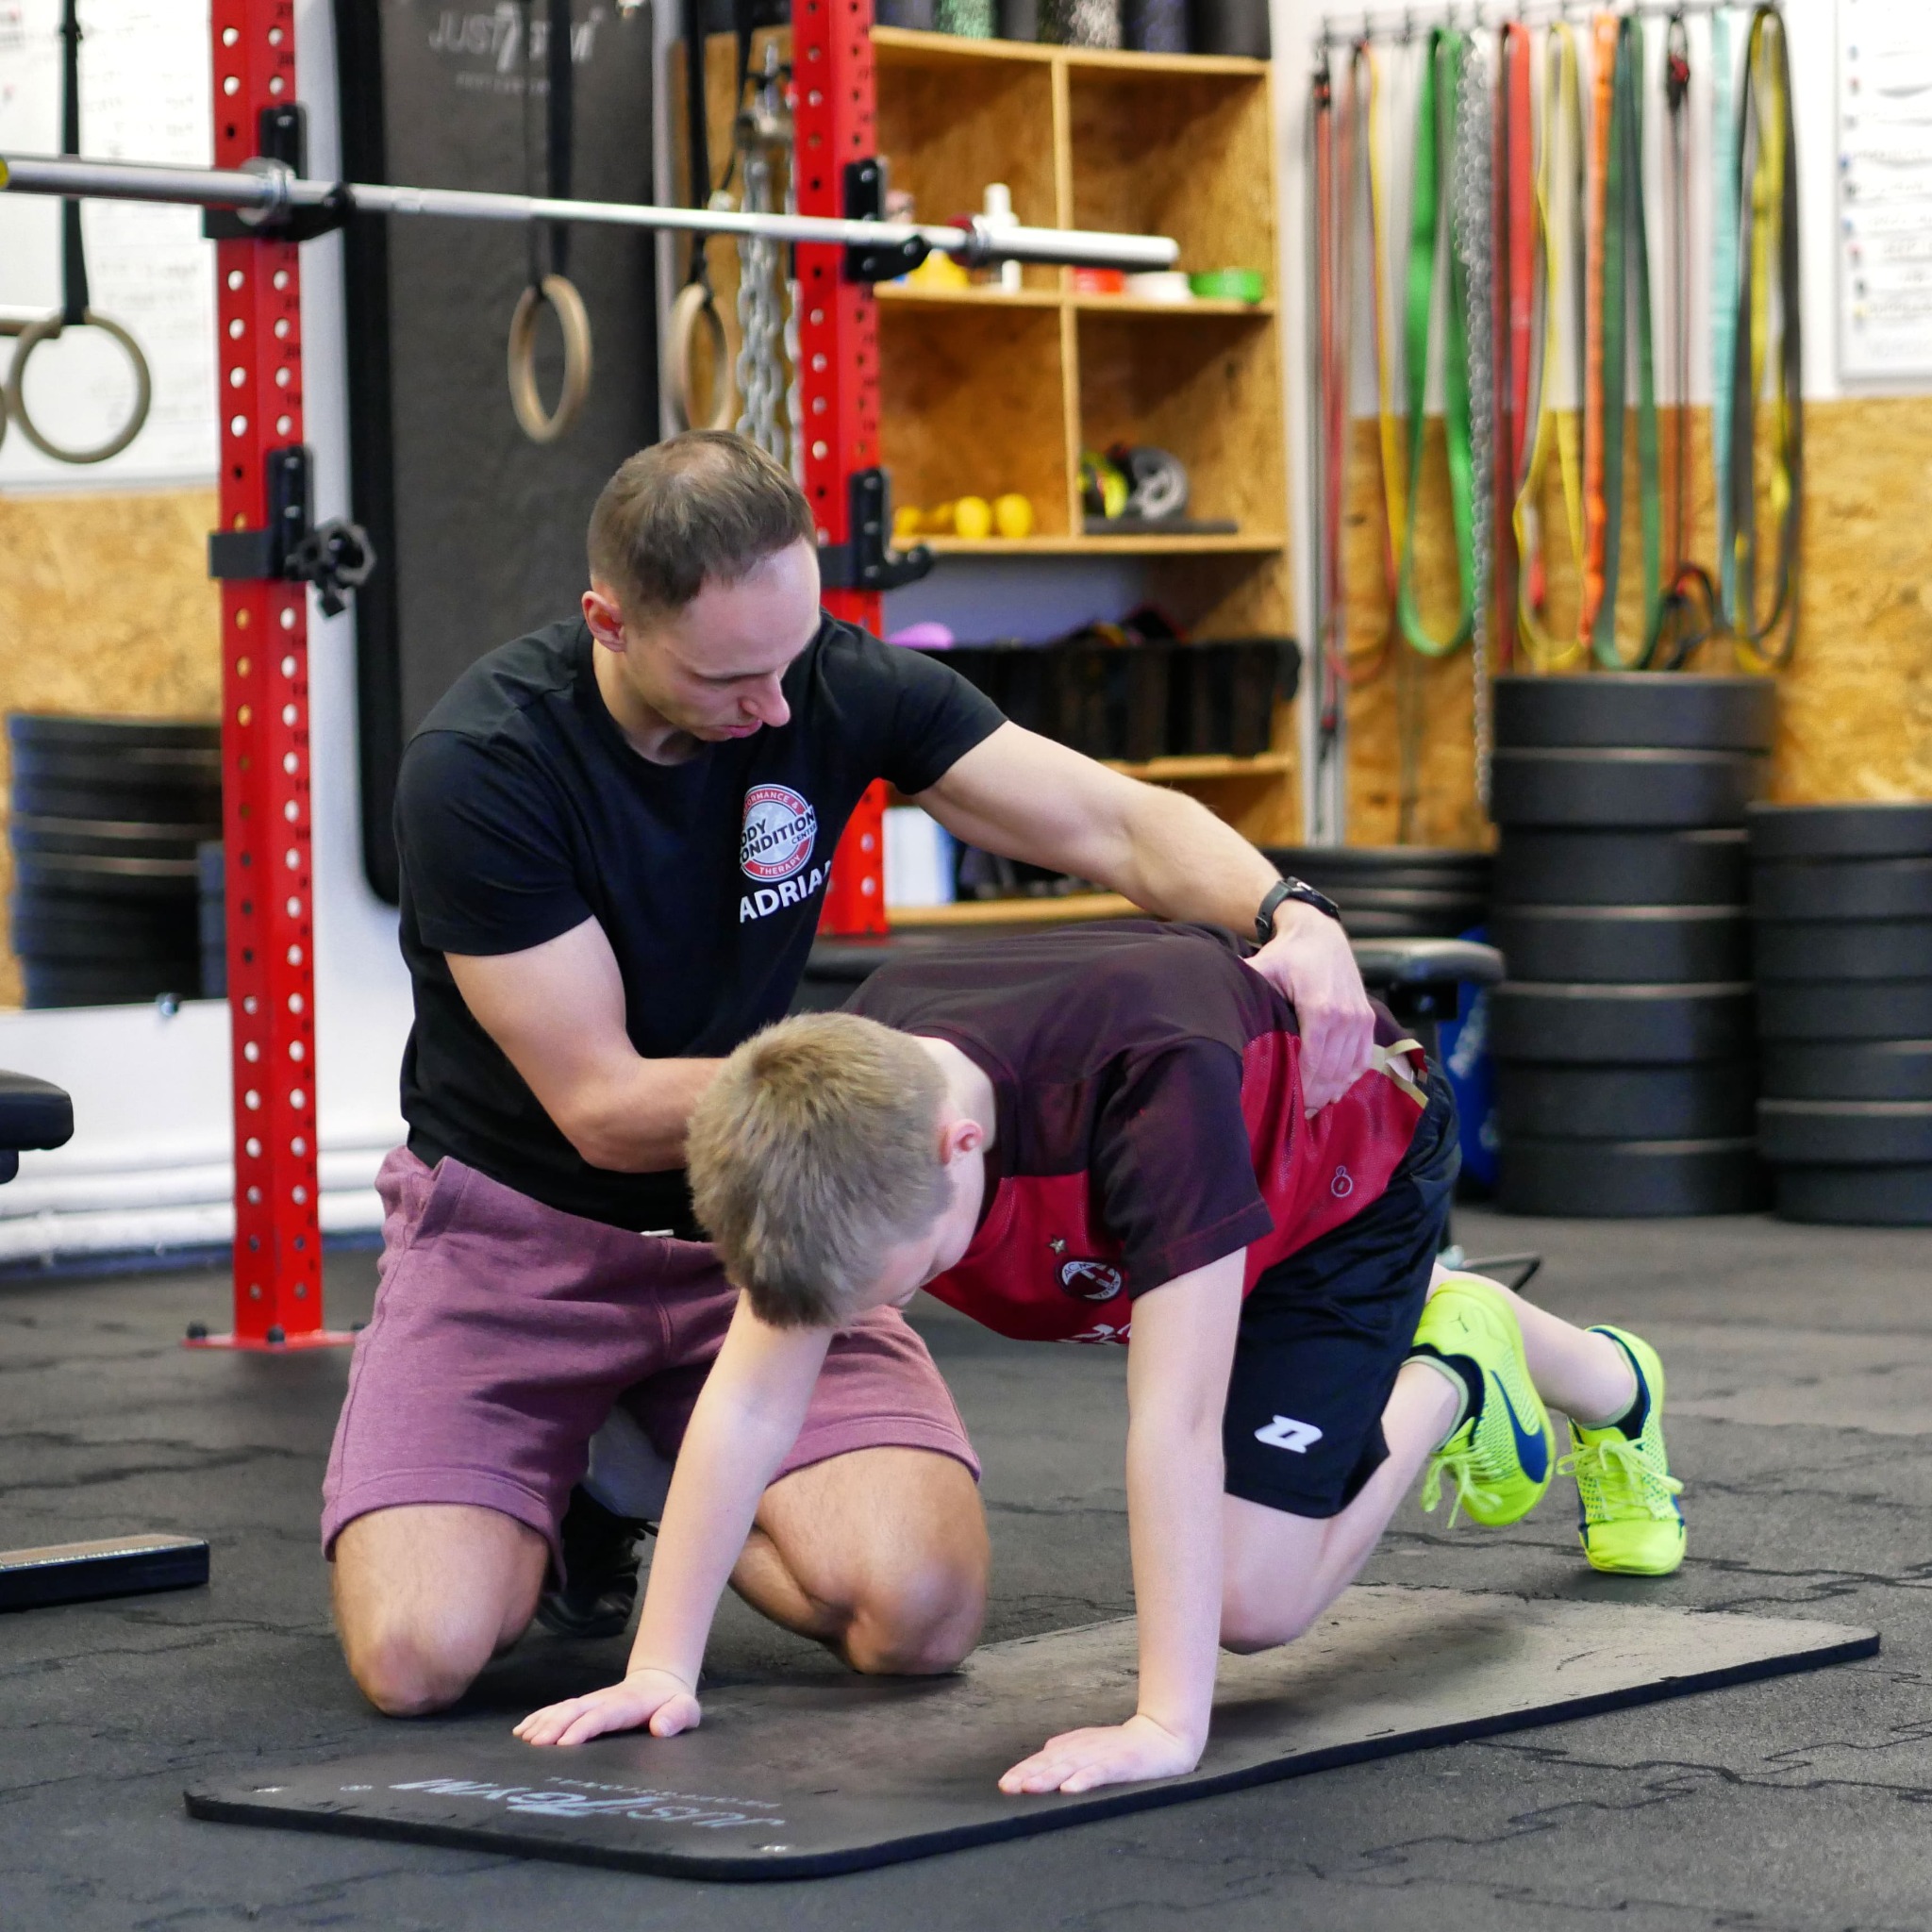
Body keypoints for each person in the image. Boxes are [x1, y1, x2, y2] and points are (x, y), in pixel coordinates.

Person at [324, 432, 1383, 1717]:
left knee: (916, 1615)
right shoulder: (484, 768)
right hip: (520, 1241)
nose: (774, 709)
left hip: (765, 1225)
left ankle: (637, 1477)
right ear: (608, 622)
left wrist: (1289, 912)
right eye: (729, 676)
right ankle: (572, 1467)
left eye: (789, 660)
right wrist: (904, 1091)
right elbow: (602, 1110)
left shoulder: (818, 680)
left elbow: (1110, 822)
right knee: (419, 1656)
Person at [513, 921, 1686, 1794]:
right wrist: (663, 1665)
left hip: (1342, 1191)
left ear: (958, 1142)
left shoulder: (1149, 1096)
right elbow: (751, 1398)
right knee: (1209, 1372)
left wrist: (1165, 1722)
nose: (892, 1304)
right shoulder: (839, 1120)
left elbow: (1169, 1422)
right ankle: (1606, 1381)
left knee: (1249, 1597)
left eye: (899, 1275)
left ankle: (1455, 1368)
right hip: (1204, 1201)